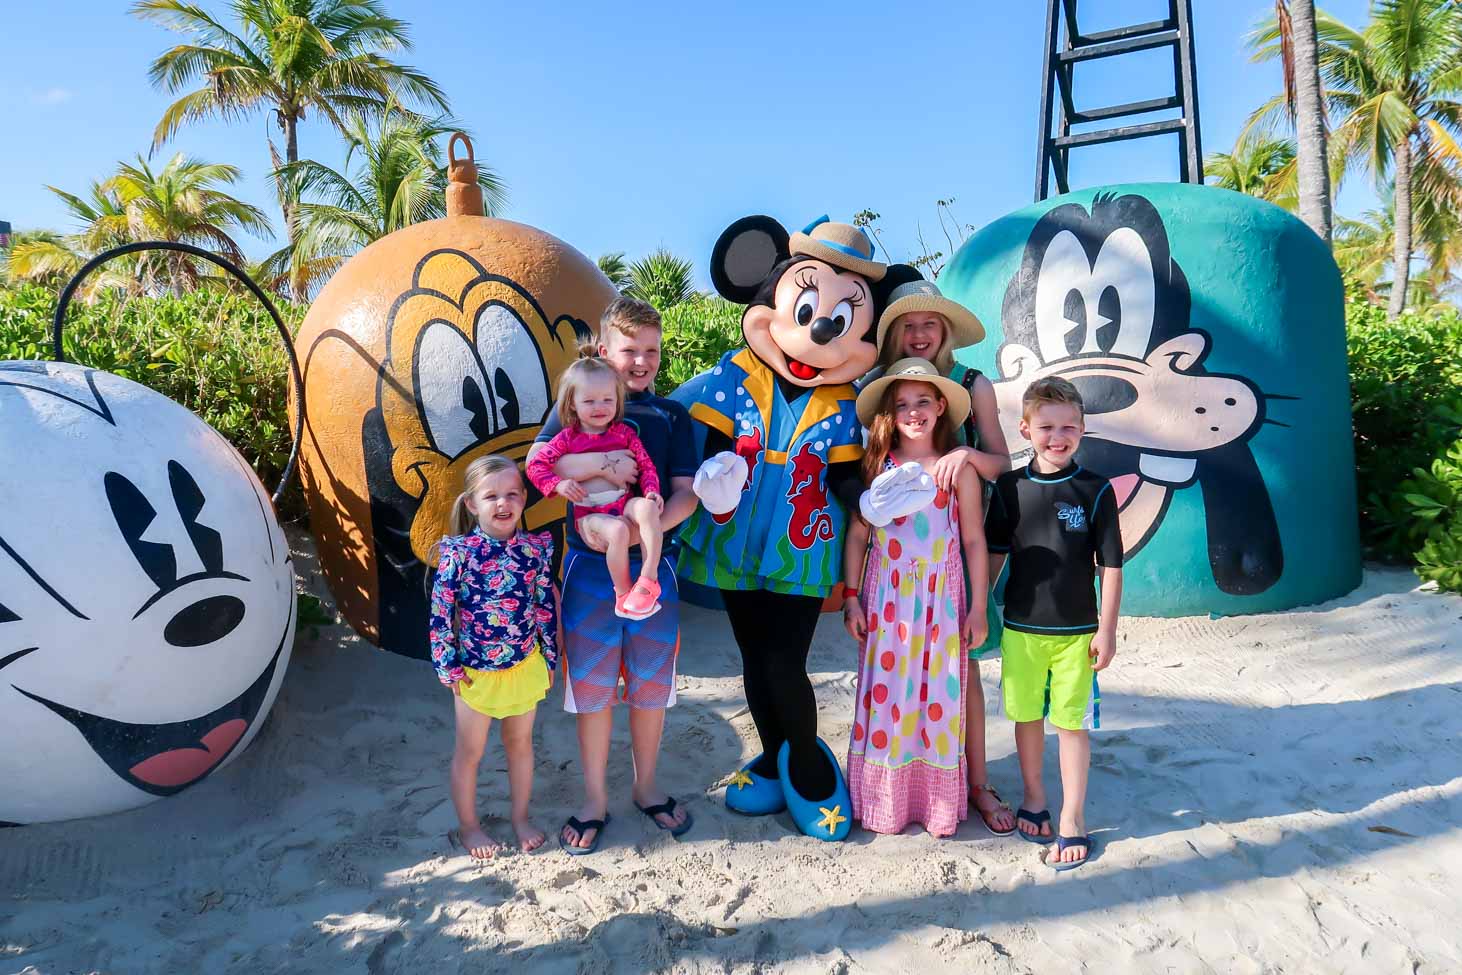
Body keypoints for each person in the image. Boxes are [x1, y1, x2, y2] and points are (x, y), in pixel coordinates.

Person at [526, 296, 697, 853]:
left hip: (657, 569)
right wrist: (601, 466)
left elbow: (685, 493)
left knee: (650, 685)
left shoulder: (672, 417)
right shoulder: (576, 409)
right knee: (594, 689)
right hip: (586, 569)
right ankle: (594, 798)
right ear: (604, 351)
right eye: (630, 350)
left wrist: (650, 529)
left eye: (652, 350)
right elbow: (539, 470)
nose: (642, 361)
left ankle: (647, 788)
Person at [870, 279, 1016, 836]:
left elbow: (1003, 460)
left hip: (967, 528)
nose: (920, 333)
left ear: (947, 330)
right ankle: (907, 777)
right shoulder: (885, 388)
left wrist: (966, 455)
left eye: (930, 323)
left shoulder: (971, 383)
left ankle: (976, 782)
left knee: (966, 664)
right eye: (909, 324)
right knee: (907, 668)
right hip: (901, 555)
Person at [841, 359, 989, 837]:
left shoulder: (956, 469)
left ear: (941, 405)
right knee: (888, 695)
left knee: (938, 695)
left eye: (923, 401)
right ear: (890, 412)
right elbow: (859, 535)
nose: (913, 411)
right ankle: (885, 799)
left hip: (941, 600)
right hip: (887, 597)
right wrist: (851, 597)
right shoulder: (878, 467)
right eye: (902, 403)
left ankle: (934, 803)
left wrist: (979, 607)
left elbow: (972, 542)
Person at [985, 376, 1123, 869]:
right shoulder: (1010, 488)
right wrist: (978, 604)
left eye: (1068, 426)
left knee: (1071, 725)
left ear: (1083, 430)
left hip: (1077, 636)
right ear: (1025, 429)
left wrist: (1106, 629)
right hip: (1021, 630)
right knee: (1026, 718)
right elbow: (996, 555)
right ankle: (1035, 798)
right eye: (1045, 426)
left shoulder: (1095, 489)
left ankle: (1072, 817)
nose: (1057, 436)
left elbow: (1111, 566)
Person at [429, 455, 558, 859]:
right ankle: (469, 827)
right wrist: (446, 663)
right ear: (472, 504)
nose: (503, 504)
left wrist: (549, 658)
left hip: (524, 665)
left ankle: (520, 817)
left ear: (523, 499)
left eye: (512, 494)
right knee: (470, 752)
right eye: (491, 496)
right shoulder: (459, 553)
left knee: (520, 744)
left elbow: (543, 606)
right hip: (474, 673)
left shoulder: (535, 550)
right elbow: (440, 613)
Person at [527, 357, 665, 620]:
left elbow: (646, 467)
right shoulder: (567, 438)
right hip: (590, 515)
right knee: (618, 529)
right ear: (572, 404)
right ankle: (624, 594)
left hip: (623, 502)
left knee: (647, 509)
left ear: (617, 400)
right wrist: (557, 483)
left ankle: (648, 579)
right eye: (589, 401)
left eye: (607, 400)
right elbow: (536, 466)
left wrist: (651, 491)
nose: (599, 407)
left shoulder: (625, 434)